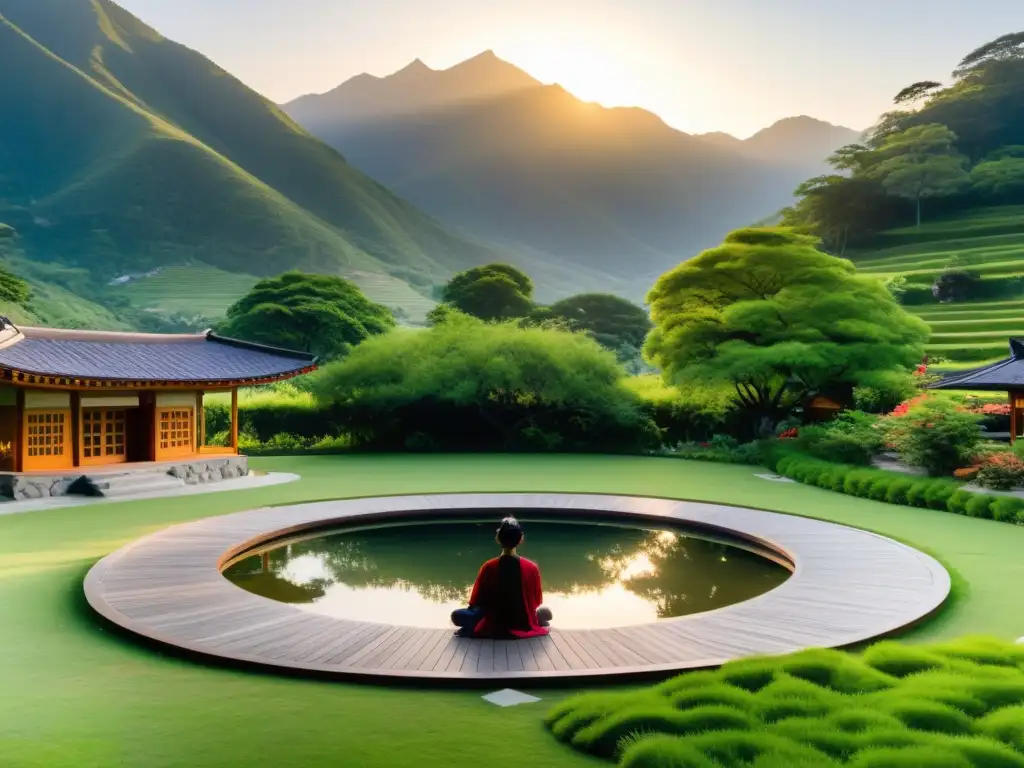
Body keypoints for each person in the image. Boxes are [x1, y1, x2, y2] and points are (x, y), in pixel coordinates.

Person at [451, 517, 552, 639]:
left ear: (498, 538)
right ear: (521, 539)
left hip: (493, 621)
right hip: (522, 621)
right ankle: (538, 620)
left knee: (456, 615)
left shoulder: (488, 566)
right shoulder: (532, 568)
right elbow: (537, 601)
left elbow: (476, 601)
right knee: (545, 612)